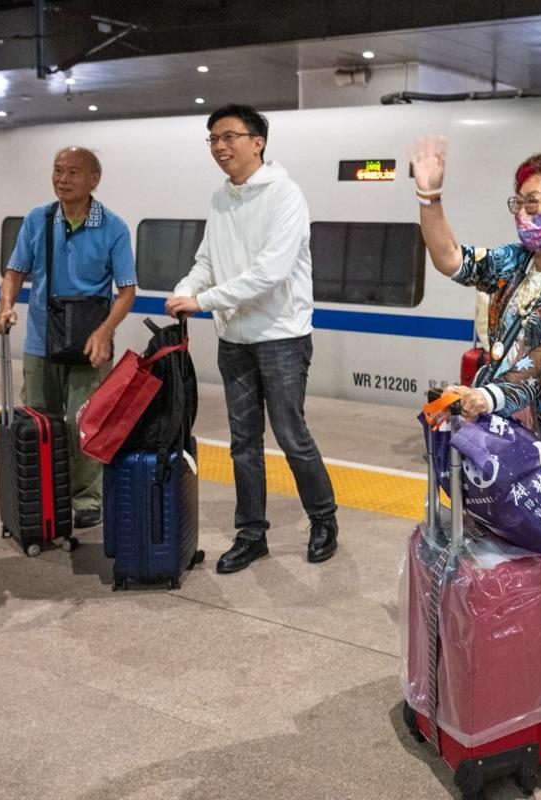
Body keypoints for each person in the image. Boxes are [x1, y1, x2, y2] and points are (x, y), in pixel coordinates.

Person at [410, 135, 541, 771]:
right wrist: (428, 194)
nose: (522, 216)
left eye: (534, 205)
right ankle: (517, 696)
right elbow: (448, 258)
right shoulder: (516, 263)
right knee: (505, 569)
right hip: (502, 437)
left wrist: (490, 393)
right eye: (517, 203)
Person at [166, 104, 338, 574]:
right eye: (213, 139)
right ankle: (251, 533)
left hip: (281, 336)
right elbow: (206, 260)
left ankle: (323, 519)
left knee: (290, 433)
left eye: (228, 137)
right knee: (243, 441)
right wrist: (186, 289)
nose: (220, 147)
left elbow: (272, 272)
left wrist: (203, 302)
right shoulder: (221, 199)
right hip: (234, 338)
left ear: (257, 142)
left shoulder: (285, 195)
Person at [0, 147, 136, 529]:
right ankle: (43, 493)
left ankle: (86, 497)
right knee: (40, 419)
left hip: (91, 343)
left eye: (73, 172)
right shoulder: (38, 220)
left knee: (82, 421)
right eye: (57, 171)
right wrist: (6, 306)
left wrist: (106, 331)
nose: (62, 179)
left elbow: (126, 291)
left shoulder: (114, 228)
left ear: (94, 180)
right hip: (41, 341)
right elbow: (14, 273)